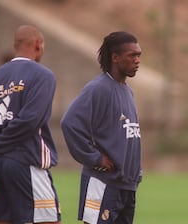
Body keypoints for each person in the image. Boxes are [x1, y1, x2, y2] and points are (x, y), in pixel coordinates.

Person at [0, 25, 61, 224]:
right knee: (49, 220)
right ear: (37, 44)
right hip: (26, 161)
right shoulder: (43, 75)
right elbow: (29, 121)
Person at [61, 31, 142, 224]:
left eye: (139, 55)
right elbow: (69, 123)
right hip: (103, 183)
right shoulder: (98, 88)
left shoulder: (127, 91)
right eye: (132, 55)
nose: (137, 60)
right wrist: (94, 158)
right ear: (115, 57)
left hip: (126, 186)